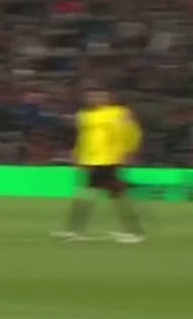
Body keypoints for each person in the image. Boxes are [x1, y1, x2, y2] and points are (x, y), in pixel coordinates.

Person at [53, 85, 144, 243]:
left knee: (92, 194)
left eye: (99, 96)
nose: (95, 99)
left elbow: (133, 132)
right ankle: (133, 231)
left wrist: (129, 152)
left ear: (107, 98)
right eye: (91, 96)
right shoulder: (83, 116)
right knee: (109, 195)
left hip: (109, 160)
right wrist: (77, 154)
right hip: (91, 161)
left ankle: (75, 230)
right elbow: (82, 138)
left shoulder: (118, 113)